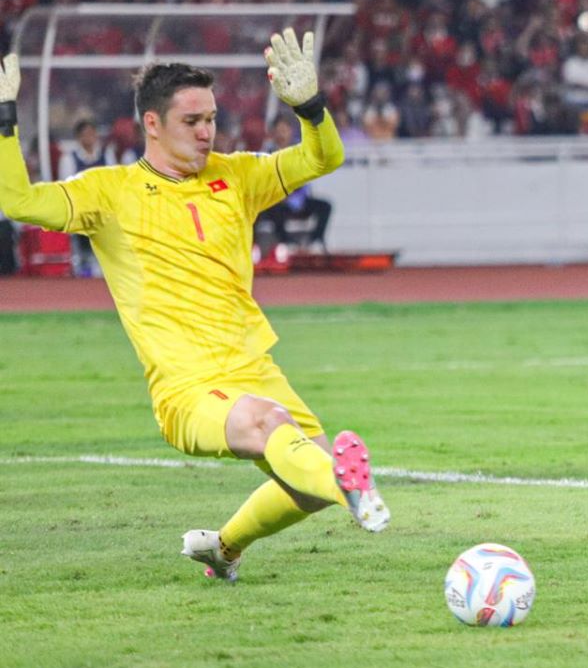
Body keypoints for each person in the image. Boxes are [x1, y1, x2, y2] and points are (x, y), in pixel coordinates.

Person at [0, 29, 389, 584]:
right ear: (151, 124)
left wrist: (310, 107)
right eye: (192, 121)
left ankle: (225, 549)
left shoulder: (238, 176)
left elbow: (324, 156)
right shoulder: (108, 193)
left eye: (211, 119)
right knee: (272, 426)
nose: (207, 133)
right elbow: (16, 200)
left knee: (305, 490)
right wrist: (4, 122)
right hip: (186, 388)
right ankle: (348, 487)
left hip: (255, 367)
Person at [259, 114, 334, 254]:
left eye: (285, 130)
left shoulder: (300, 151)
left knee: (325, 206)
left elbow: (305, 178)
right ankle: (286, 242)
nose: (282, 134)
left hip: (298, 198)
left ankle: (315, 240)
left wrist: (297, 197)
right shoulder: (266, 154)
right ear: (273, 132)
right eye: (279, 130)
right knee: (273, 210)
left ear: (291, 131)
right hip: (277, 200)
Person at [58, 119, 117, 277]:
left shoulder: (106, 155)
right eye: (85, 135)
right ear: (78, 137)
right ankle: (83, 262)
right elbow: (67, 187)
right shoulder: (69, 159)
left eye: (92, 134)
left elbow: (112, 182)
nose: (89, 138)